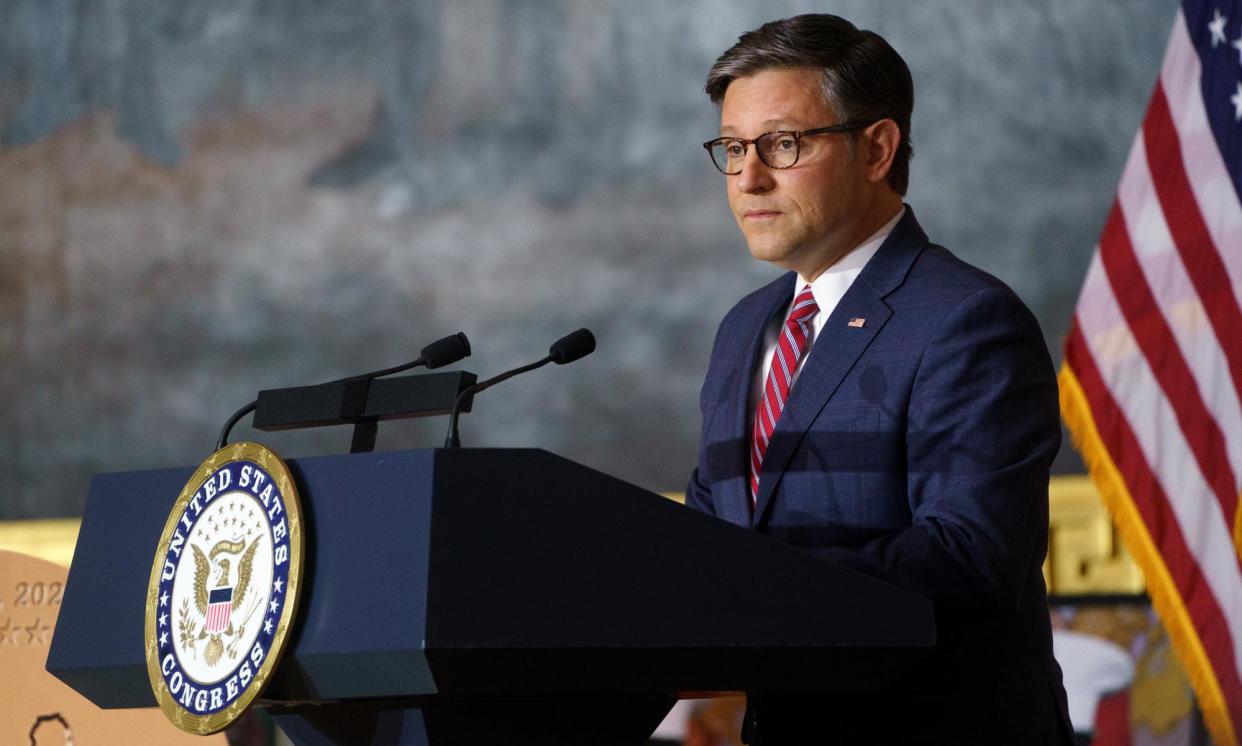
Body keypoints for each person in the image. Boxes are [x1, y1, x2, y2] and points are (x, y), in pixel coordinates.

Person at [685, 14, 1074, 745]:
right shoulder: (744, 330)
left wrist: (758, 593)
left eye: (783, 143)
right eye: (733, 149)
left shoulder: (967, 318)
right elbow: (715, 534)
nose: (748, 178)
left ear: (877, 148)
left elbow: (970, 552)